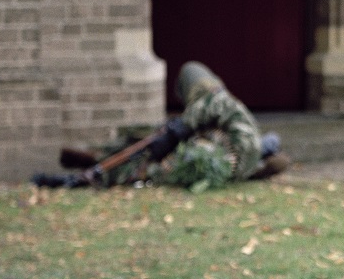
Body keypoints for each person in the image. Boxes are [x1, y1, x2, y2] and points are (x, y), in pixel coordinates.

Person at [40, 61, 287, 188]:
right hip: (224, 157)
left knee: (152, 169)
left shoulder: (220, 104)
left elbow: (209, 108)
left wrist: (176, 131)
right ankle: (96, 161)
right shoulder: (231, 125)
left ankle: (95, 174)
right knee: (143, 148)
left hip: (214, 156)